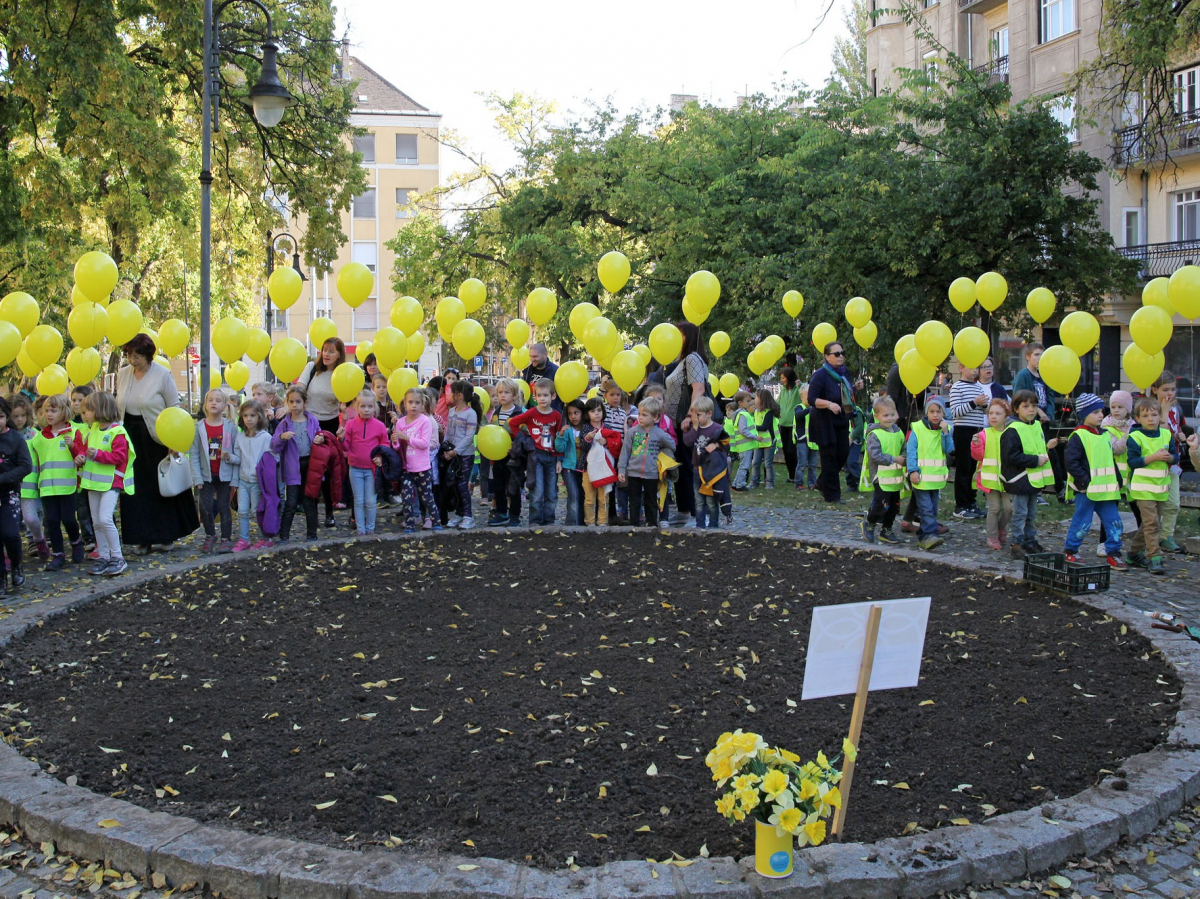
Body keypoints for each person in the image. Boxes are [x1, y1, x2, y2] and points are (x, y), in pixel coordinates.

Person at [115, 334, 199, 554]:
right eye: (129, 355)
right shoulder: (123, 374)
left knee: (159, 488)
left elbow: (174, 406)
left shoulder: (162, 374)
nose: (133, 360)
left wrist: (174, 441)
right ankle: (141, 538)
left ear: (148, 355)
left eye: (137, 356)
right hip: (130, 436)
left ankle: (166, 535)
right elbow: (119, 405)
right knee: (135, 489)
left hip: (156, 436)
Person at [1062, 393, 1129, 571]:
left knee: (1114, 522)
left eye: (1101, 411)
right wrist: (1085, 481)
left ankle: (1114, 553)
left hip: (1107, 490)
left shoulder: (1105, 435)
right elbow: (1071, 463)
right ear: (1084, 414)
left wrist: (1118, 479)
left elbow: (1110, 460)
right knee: (1082, 522)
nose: (1101, 415)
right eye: (1096, 412)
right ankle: (1071, 550)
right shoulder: (1078, 436)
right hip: (1086, 490)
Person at [72, 391, 130, 577]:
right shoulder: (93, 429)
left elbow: (120, 457)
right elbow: (83, 448)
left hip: (111, 483)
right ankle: (103, 557)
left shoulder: (117, 431)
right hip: (93, 483)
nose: (85, 414)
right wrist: (81, 456)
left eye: (88, 410)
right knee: (96, 521)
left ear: (101, 409)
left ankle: (118, 557)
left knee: (105, 519)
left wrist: (97, 455)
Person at [30, 394, 84, 571]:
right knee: (52, 521)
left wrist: (72, 447)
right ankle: (58, 554)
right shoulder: (39, 437)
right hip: (47, 487)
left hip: (67, 486)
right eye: (46, 411)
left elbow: (81, 457)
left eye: (53, 410)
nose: (49, 414)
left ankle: (76, 542)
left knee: (69, 519)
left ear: (65, 411)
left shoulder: (73, 433)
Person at [1002, 389, 1058, 559]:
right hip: (1020, 478)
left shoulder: (1035, 426)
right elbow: (1011, 455)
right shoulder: (1012, 430)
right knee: (1021, 513)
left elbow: (1036, 448)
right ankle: (1017, 542)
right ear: (1016, 409)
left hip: (1033, 479)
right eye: (1026, 406)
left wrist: (1047, 448)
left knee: (1032, 512)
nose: (1031, 410)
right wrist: (1035, 460)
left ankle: (1030, 539)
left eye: (1033, 406)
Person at [297, 337, 346, 527]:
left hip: (330, 424)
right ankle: (310, 512)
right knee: (308, 468)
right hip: (308, 423)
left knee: (326, 470)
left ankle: (329, 512)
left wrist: (345, 421)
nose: (326, 354)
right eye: (324, 350)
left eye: (331, 351)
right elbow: (299, 389)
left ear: (339, 354)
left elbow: (347, 401)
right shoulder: (311, 368)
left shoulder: (342, 374)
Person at [1126, 397, 1177, 575]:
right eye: (1146, 416)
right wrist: (1153, 458)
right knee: (1152, 524)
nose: (1150, 419)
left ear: (1160, 416)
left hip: (1161, 489)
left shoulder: (1166, 434)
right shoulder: (1135, 437)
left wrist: (1169, 458)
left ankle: (1133, 553)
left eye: (1154, 415)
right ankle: (1154, 557)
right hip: (1142, 489)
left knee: (1150, 524)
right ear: (1138, 419)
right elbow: (1133, 462)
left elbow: (1175, 456)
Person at [1011, 342, 1066, 503]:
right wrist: (1037, 413)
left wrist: (1047, 414)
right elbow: (1020, 398)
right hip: (1030, 422)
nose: (1039, 358)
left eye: (1042, 355)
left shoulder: (1045, 375)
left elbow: (1050, 397)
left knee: (1051, 454)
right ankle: (1037, 491)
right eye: (1036, 355)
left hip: (1043, 422)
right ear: (1028, 357)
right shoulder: (1023, 376)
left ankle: (1060, 488)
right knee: (1034, 455)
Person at [664, 322, 708, 523]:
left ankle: (693, 510)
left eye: (678, 334)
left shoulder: (692, 358)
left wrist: (690, 416)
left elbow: (698, 389)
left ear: (687, 337)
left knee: (687, 466)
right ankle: (684, 509)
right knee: (681, 465)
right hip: (675, 422)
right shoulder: (681, 361)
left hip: (685, 422)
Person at [272, 384, 324, 543]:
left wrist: (320, 438)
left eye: (298, 402)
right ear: (287, 403)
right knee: (291, 501)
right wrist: (282, 437)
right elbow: (274, 444)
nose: (295, 405)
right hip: (292, 466)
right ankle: (284, 535)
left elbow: (320, 435)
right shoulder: (285, 424)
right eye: (291, 402)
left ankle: (312, 534)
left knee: (310, 500)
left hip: (310, 465)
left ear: (305, 403)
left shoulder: (312, 420)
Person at [507, 379, 563, 526]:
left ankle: (549, 521)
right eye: (540, 395)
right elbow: (513, 423)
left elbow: (559, 438)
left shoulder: (557, 416)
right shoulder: (531, 413)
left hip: (551, 457)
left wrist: (559, 460)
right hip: (536, 457)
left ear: (553, 396)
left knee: (551, 492)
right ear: (534, 397)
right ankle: (535, 521)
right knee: (537, 491)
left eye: (546, 395)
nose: (543, 398)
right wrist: (523, 439)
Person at [189, 389, 238, 553]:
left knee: (224, 506)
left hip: (225, 475)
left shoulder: (230, 427)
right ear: (205, 404)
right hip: (205, 475)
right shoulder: (199, 427)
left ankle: (226, 538)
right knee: (205, 507)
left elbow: (237, 451)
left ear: (224, 406)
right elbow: (194, 453)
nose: (214, 403)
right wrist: (197, 477)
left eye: (218, 400)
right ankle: (210, 534)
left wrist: (229, 458)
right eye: (210, 400)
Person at [808, 342, 856, 503]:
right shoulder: (820, 375)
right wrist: (829, 404)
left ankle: (822, 482)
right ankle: (832, 495)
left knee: (843, 453)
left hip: (841, 418)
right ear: (827, 357)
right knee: (828, 457)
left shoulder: (844, 373)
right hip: (824, 421)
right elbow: (811, 399)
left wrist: (855, 387)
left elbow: (845, 393)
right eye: (836, 354)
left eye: (842, 352)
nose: (840, 356)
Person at [1149, 372, 1192, 553]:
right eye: (1165, 389)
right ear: (1155, 390)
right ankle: (1150, 540)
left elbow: (1177, 429)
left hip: (1172, 463)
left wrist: (1181, 435)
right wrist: (1163, 412)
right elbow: (1159, 435)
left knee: (1173, 503)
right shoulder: (1149, 409)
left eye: (1173, 389)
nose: (1170, 394)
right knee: (1154, 508)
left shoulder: (1177, 409)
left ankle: (1166, 536)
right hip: (1153, 464)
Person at [618, 396, 676, 528]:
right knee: (634, 500)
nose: (640, 417)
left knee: (650, 500)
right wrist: (622, 469)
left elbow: (672, 445)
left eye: (644, 415)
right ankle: (634, 524)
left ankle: (651, 523)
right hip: (633, 472)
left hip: (651, 473)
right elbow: (625, 451)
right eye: (639, 414)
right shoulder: (632, 432)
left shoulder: (659, 433)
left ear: (655, 417)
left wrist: (662, 451)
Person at [906, 396, 953, 551]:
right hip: (920, 478)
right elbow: (911, 451)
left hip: (936, 478)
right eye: (932, 411)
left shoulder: (945, 429)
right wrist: (912, 470)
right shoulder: (918, 428)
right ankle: (930, 535)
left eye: (939, 411)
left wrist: (946, 433)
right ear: (927, 413)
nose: (935, 415)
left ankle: (922, 534)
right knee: (926, 508)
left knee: (932, 509)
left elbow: (948, 450)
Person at [339, 390, 390, 537]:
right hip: (355, 468)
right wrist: (341, 439)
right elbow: (346, 447)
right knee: (359, 500)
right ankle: (361, 529)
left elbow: (384, 444)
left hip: (372, 469)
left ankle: (371, 528)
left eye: (369, 406)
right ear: (357, 407)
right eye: (362, 406)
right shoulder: (350, 425)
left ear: (375, 407)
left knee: (370, 501)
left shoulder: (379, 426)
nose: (366, 410)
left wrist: (380, 456)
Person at [393, 388, 441, 535]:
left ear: (422, 405)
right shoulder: (400, 422)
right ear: (405, 404)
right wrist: (395, 441)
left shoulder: (425, 421)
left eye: (417, 403)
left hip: (422, 467)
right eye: (410, 402)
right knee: (407, 498)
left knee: (427, 497)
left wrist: (406, 438)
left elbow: (424, 443)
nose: (413, 406)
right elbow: (397, 447)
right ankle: (409, 524)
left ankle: (436, 522)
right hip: (407, 468)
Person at [859, 396, 904, 545]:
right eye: (885, 415)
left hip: (895, 476)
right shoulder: (875, 434)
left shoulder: (898, 432)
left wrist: (905, 457)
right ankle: (870, 523)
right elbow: (875, 455)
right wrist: (893, 459)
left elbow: (904, 447)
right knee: (881, 504)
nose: (889, 418)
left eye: (892, 414)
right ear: (877, 416)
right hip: (881, 476)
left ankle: (887, 529)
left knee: (894, 505)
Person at [971, 398, 1013, 550]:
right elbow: (978, 456)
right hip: (989, 479)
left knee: (1009, 508)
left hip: (1007, 479)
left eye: (998, 413)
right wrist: (975, 445)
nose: (993, 417)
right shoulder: (984, 434)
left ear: (1006, 416)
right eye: (991, 413)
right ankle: (992, 536)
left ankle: (1001, 528)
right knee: (994, 508)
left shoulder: (1011, 433)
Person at [683, 396, 731, 529]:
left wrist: (716, 445)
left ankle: (713, 525)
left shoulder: (716, 428)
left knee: (711, 501)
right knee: (698, 501)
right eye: (694, 414)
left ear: (709, 413)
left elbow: (727, 445)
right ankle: (700, 525)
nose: (695, 417)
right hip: (697, 469)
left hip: (711, 471)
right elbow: (688, 442)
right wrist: (695, 427)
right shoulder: (693, 428)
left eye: (698, 415)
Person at [0, 396, 33, 588]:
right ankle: (1, 577)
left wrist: (4, 479)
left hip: (9, 494)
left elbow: (25, 466)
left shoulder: (15, 439)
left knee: (10, 534)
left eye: (1, 416)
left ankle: (16, 564)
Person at [231, 399, 272, 552]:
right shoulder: (240, 437)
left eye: (252, 415)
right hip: (243, 480)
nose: (249, 419)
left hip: (257, 481)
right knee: (242, 511)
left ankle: (264, 538)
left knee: (257, 511)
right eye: (246, 415)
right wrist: (229, 457)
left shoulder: (265, 437)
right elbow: (238, 458)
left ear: (259, 417)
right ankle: (244, 539)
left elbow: (272, 457)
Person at [949, 363, 988, 519]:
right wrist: (974, 403)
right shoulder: (957, 387)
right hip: (963, 431)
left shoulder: (979, 388)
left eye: (977, 368)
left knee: (973, 469)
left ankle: (972, 502)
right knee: (963, 468)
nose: (975, 371)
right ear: (961, 368)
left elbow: (984, 410)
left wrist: (985, 405)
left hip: (977, 431)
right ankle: (961, 505)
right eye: (972, 367)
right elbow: (956, 412)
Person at [11, 396, 47, 562]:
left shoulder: (34, 434)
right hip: (8, 485)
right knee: (8, 523)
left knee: (31, 518)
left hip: (29, 485)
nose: (19, 420)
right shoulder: (6, 436)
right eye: (15, 416)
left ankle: (39, 539)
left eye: (22, 416)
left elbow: (42, 457)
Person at [443, 379, 481, 529]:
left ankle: (468, 516)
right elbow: (448, 432)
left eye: (451, 392)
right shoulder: (452, 412)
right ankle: (459, 514)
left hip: (465, 455)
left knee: (462, 485)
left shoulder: (470, 414)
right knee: (453, 485)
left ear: (459, 395)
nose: (449, 395)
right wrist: (445, 448)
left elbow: (469, 436)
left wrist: (456, 451)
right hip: (452, 453)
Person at [487, 379, 522, 527]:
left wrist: (515, 445)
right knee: (498, 486)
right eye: (499, 392)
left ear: (514, 395)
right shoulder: (496, 412)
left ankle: (515, 515)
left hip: (513, 457)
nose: (502, 395)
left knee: (513, 487)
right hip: (497, 457)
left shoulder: (519, 413)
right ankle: (501, 513)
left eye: (506, 392)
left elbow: (523, 434)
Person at [603, 383, 631, 523]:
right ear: (606, 396)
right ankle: (607, 513)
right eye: (612, 395)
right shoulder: (604, 410)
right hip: (607, 451)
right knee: (608, 484)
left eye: (618, 395)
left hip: (619, 451)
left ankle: (617, 513)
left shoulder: (622, 412)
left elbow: (624, 430)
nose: (615, 398)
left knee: (618, 483)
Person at [555, 399, 586, 526]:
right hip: (569, 468)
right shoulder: (567, 430)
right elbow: (559, 448)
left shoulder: (587, 429)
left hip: (584, 468)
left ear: (582, 413)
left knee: (583, 495)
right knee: (573, 495)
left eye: (576, 413)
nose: (573, 416)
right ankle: (572, 523)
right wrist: (560, 435)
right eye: (570, 414)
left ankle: (582, 521)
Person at [747, 388, 780, 489]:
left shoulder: (769, 413)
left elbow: (764, 427)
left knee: (767, 464)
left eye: (756, 397)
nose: (755, 399)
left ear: (762, 399)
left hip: (768, 442)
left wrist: (752, 428)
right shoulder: (756, 412)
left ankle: (769, 482)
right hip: (758, 442)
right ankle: (754, 481)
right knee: (755, 462)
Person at [776, 368, 803, 484]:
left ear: (789, 377)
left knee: (792, 451)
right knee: (786, 452)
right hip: (783, 424)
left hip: (794, 424)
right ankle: (791, 476)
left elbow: (806, 394)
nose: (782, 380)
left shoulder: (798, 388)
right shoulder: (783, 390)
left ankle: (797, 475)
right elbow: (777, 403)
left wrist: (800, 386)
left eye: (783, 378)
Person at [728, 391, 758, 490]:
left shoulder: (742, 414)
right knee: (744, 466)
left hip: (745, 445)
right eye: (748, 401)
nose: (750, 403)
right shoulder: (742, 415)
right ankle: (740, 485)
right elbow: (743, 430)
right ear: (740, 403)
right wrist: (754, 437)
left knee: (743, 465)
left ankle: (736, 484)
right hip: (745, 445)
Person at [793, 384, 818, 490]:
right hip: (802, 440)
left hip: (814, 441)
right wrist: (810, 409)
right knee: (802, 463)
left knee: (813, 465)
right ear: (801, 396)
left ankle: (812, 483)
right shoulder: (799, 407)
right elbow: (799, 415)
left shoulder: (816, 408)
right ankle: (798, 483)